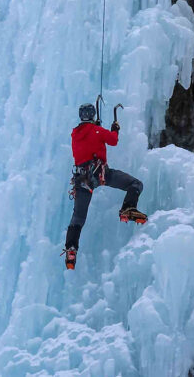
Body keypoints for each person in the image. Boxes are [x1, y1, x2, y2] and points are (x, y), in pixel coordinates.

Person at [63, 102, 146, 270]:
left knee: (78, 217)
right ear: (93, 116)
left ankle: (71, 249)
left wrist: (96, 128)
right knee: (135, 184)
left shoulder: (74, 134)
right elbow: (113, 140)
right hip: (100, 174)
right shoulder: (97, 131)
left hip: (82, 179)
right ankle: (128, 209)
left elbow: (88, 139)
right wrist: (114, 128)